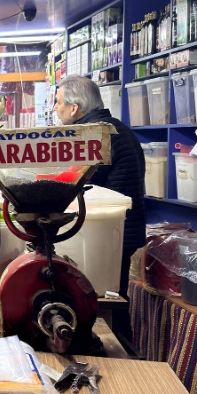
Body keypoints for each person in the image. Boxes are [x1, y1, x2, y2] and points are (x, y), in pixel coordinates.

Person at [53, 75, 146, 338]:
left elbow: (80, 184)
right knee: (113, 297)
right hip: (121, 229)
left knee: (100, 300)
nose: (55, 109)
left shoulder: (93, 133)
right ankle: (120, 347)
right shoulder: (117, 128)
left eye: (58, 103)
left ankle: (115, 355)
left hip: (107, 232)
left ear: (74, 108)